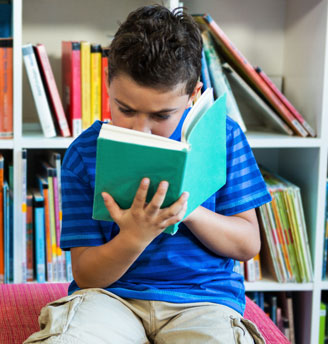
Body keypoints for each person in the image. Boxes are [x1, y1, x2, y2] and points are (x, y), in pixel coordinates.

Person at [25, 5, 270, 344]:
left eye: (161, 115)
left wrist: (187, 211)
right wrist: (135, 235)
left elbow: (247, 244)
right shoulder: (84, 154)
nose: (140, 128)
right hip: (111, 299)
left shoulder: (223, 139)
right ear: (108, 84)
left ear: (193, 94)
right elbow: (86, 274)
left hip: (203, 300)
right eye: (125, 109)